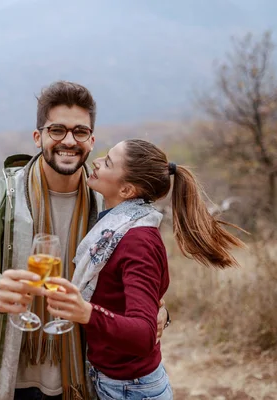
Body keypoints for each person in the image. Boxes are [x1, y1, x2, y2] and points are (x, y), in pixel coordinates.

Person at [0, 82, 171, 400]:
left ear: (91, 141)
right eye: (57, 130)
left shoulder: (108, 205)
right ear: (38, 137)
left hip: (84, 376)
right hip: (14, 376)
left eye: (79, 132)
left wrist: (160, 312)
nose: (68, 140)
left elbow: (136, 279)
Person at [44, 139, 247, 400]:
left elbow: (143, 335)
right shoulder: (116, 224)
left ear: (127, 190)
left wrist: (86, 312)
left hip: (130, 390)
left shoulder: (137, 241)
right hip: (116, 380)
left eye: (107, 162)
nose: (95, 161)